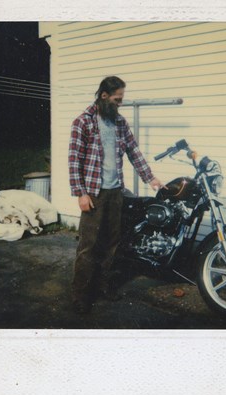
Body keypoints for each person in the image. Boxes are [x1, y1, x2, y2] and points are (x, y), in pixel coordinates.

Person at [68, 76, 164, 314]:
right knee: (88, 246)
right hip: (94, 194)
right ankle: (81, 296)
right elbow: (74, 161)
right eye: (117, 99)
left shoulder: (119, 123)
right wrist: (81, 193)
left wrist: (150, 178)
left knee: (111, 244)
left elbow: (133, 152)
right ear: (104, 96)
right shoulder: (83, 122)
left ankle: (102, 287)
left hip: (115, 192)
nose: (120, 103)